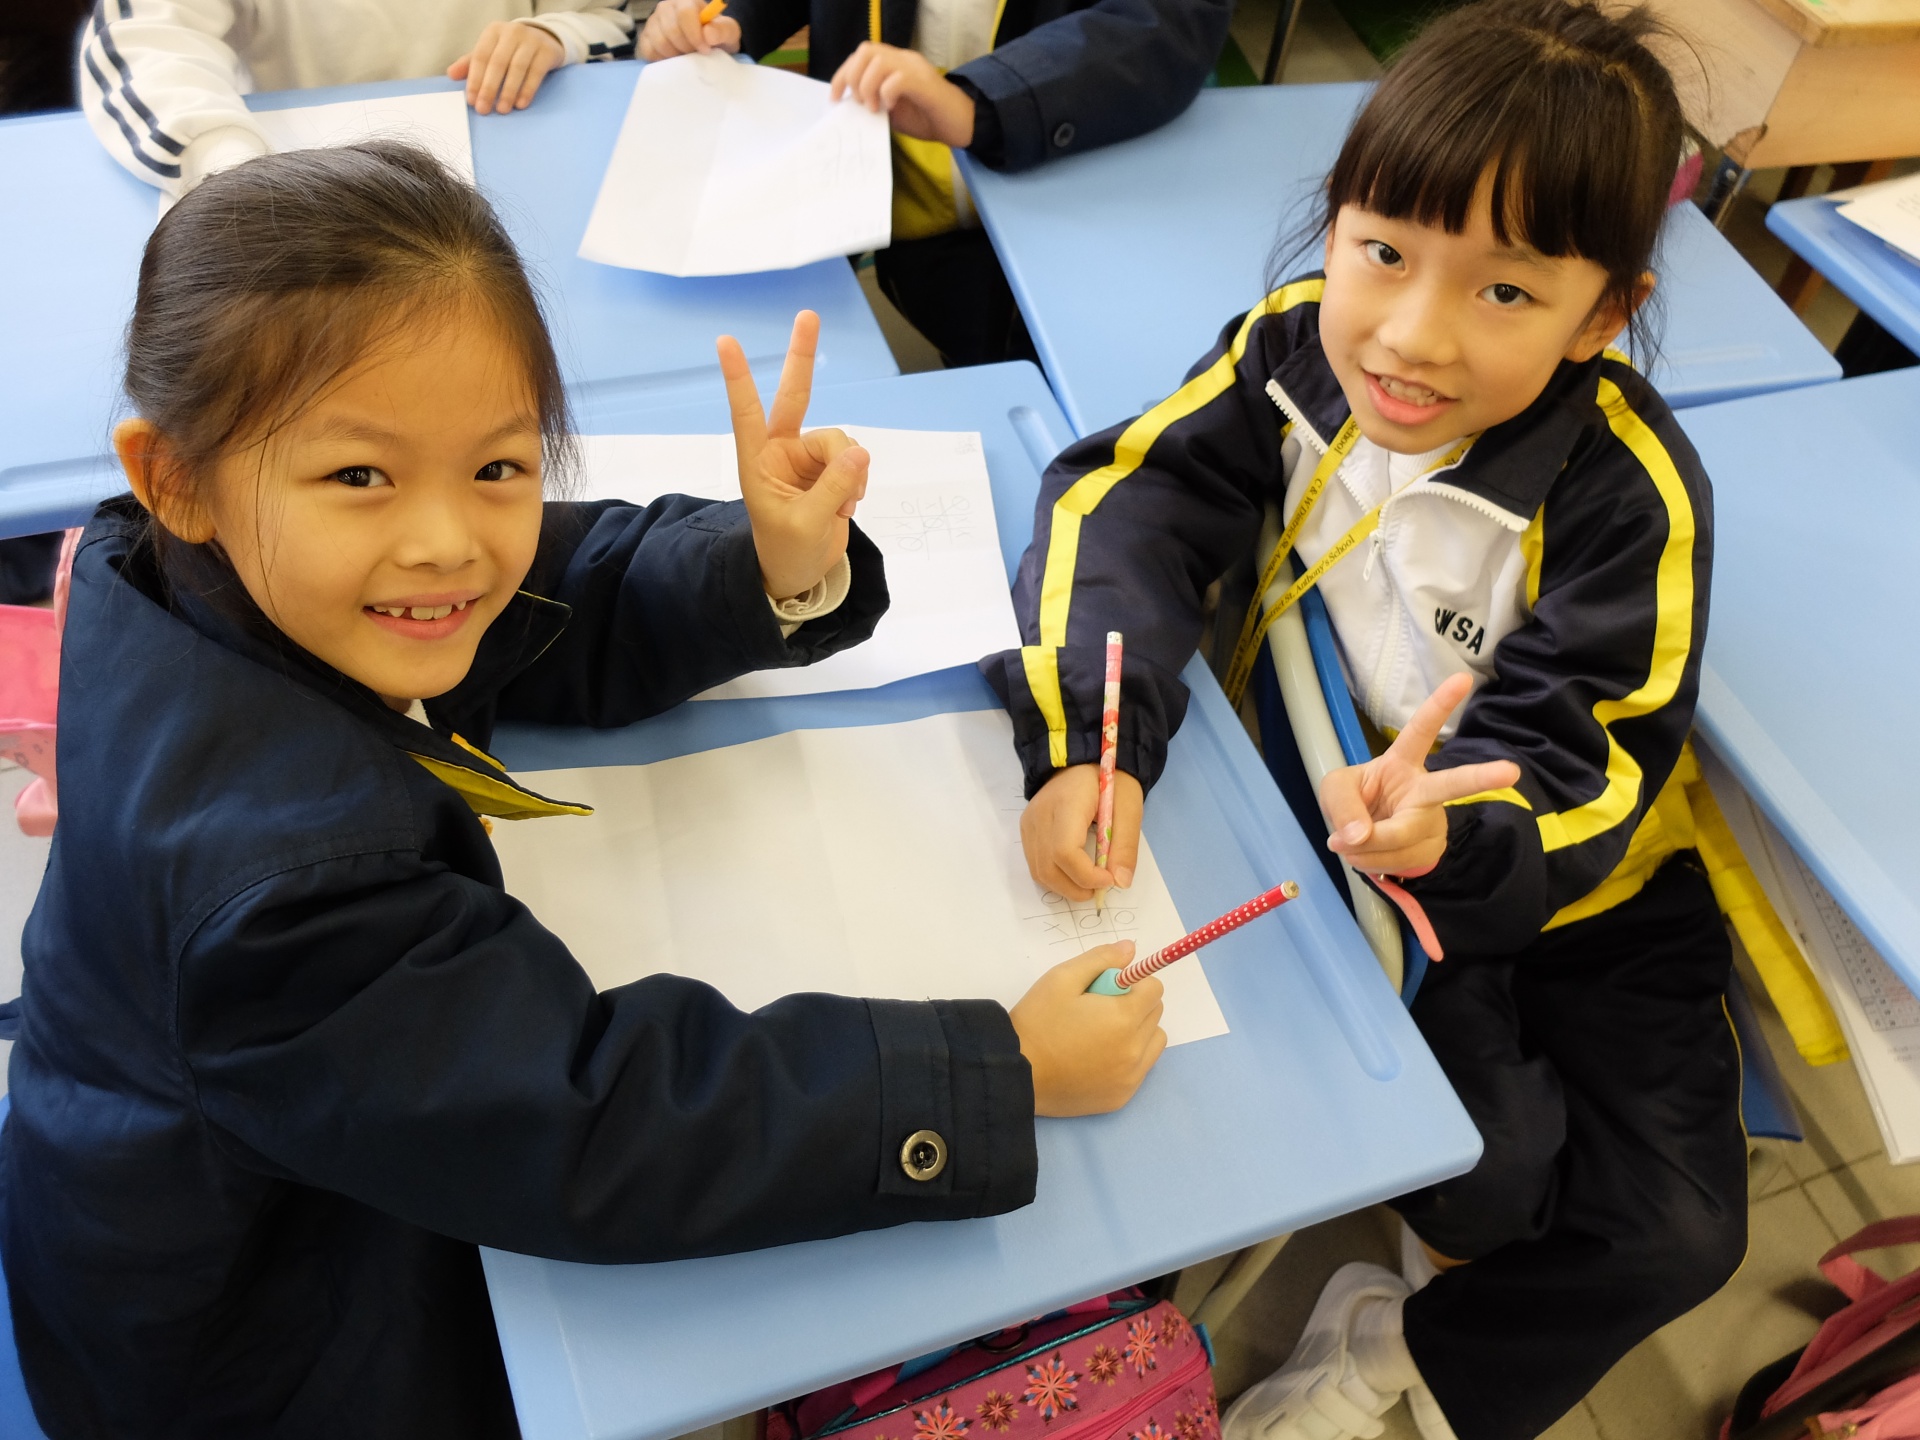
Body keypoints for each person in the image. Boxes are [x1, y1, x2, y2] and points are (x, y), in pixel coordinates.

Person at [0, 141, 1167, 1439]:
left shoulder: (200, 569)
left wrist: (768, 566)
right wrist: (996, 1070)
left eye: (498, 467)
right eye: (359, 477)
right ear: (175, 477)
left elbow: (559, 588)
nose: (447, 540)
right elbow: (592, 1123)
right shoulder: (285, 893)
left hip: (226, 1176)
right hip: (263, 1343)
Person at [982, 4, 1745, 1439]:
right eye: (1383, 251)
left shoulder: (1631, 496)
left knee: (1680, 1233)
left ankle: (1397, 1345)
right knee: (1490, 1173)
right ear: (1334, 224)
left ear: (1602, 315)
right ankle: (1432, 1261)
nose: (1410, 335)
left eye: (1505, 291)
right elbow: (1128, 502)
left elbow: (1593, 764)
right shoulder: (1292, 352)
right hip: (1364, 839)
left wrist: (1455, 827)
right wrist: (1092, 737)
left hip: (1563, 870)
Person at [638, 0, 1229, 366]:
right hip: (895, 199)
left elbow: (1173, 18)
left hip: (1070, 202)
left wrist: (988, 102)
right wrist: (721, 14)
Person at [80, 0, 638, 197]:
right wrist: (223, 159)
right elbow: (142, 43)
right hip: (289, 173)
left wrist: (557, 33)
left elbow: (617, 18)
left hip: (513, 151)